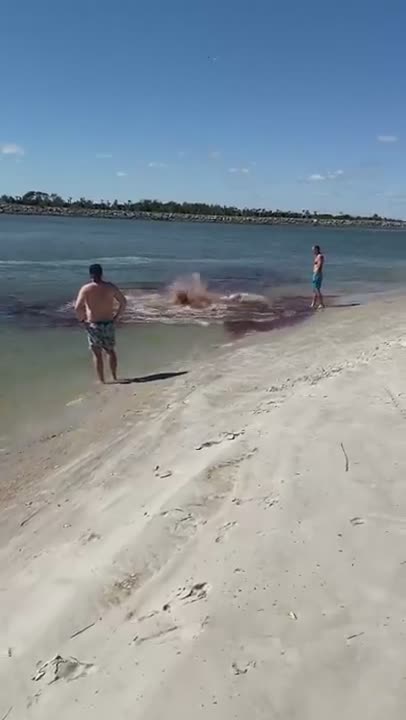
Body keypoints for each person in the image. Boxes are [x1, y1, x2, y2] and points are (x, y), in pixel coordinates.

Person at [74, 264, 127, 383]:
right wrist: (117, 317)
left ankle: (102, 380)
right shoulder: (110, 287)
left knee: (97, 354)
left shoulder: (86, 288)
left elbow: (78, 307)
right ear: (101, 273)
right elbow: (123, 302)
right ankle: (114, 377)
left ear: (90, 274)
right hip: (108, 323)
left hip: (93, 324)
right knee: (110, 351)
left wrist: (82, 320)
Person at [311, 245, 325, 309]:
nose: (313, 251)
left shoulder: (320, 256)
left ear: (317, 249)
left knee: (317, 289)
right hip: (315, 274)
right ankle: (313, 303)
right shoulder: (316, 256)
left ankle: (321, 304)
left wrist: (316, 273)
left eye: (314, 250)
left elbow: (320, 265)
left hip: (317, 274)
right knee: (314, 290)